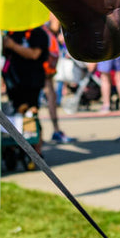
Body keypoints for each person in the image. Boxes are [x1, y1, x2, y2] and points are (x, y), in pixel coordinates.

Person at [2, 27, 51, 158]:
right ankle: (16, 146)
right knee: (16, 113)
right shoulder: (13, 31)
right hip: (14, 82)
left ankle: (36, 149)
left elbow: (35, 54)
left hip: (32, 82)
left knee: (32, 113)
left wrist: (13, 46)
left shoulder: (38, 33)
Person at [42, 15, 74, 144]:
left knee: (51, 97)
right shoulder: (46, 28)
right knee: (50, 97)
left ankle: (54, 131)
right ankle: (54, 131)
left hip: (47, 68)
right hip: (43, 68)